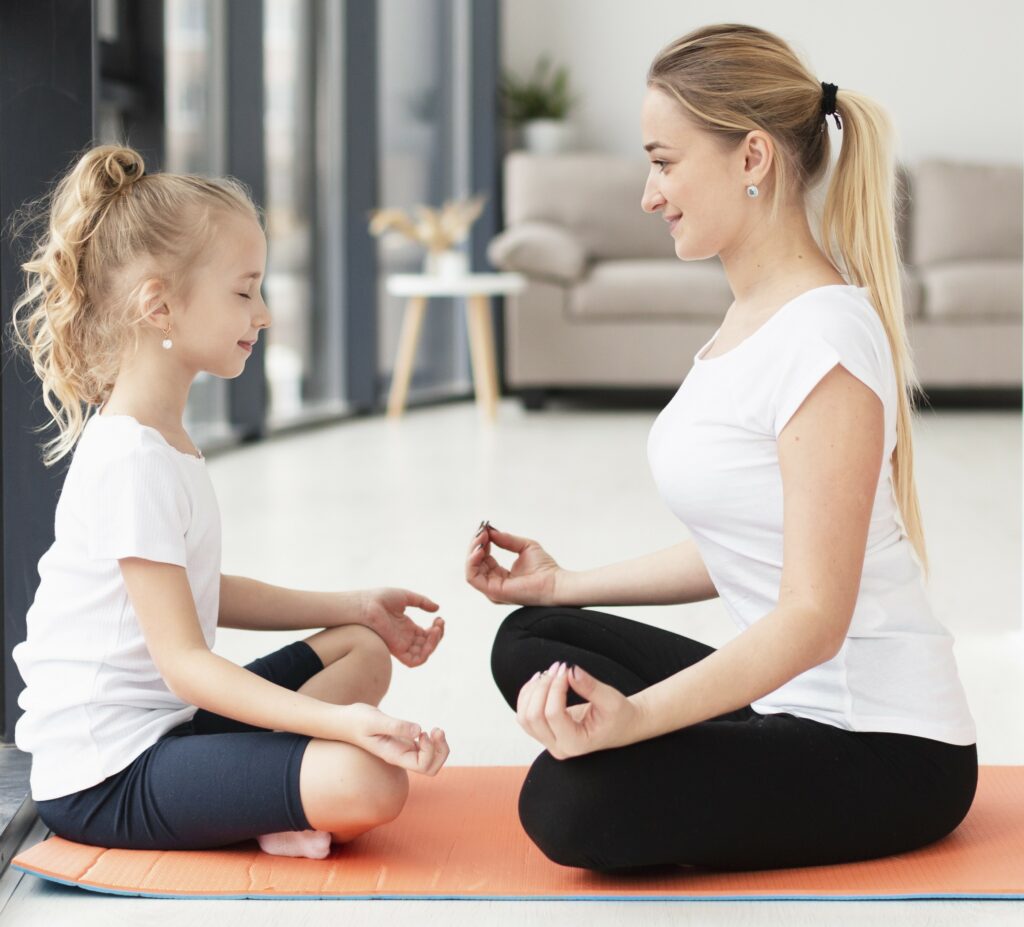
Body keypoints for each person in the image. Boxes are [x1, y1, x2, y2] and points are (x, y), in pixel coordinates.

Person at [466, 23, 977, 873]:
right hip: (785, 703)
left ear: (752, 159)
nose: (648, 192)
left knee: (563, 802)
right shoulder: (753, 319)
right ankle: (686, 737)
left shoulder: (826, 340)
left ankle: (673, 750)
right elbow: (746, 538)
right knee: (532, 636)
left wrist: (637, 721)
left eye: (664, 162)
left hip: (883, 744)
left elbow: (814, 618)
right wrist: (563, 582)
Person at [10, 145, 449, 859]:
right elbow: (186, 661)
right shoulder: (131, 457)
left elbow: (200, 593)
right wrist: (343, 727)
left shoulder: (161, 437)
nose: (265, 313)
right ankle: (260, 801)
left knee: (362, 649)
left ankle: (253, 792)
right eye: (244, 291)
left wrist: (354, 603)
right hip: (105, 777)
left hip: (171, 729)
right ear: (160, 305)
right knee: (373, 782)